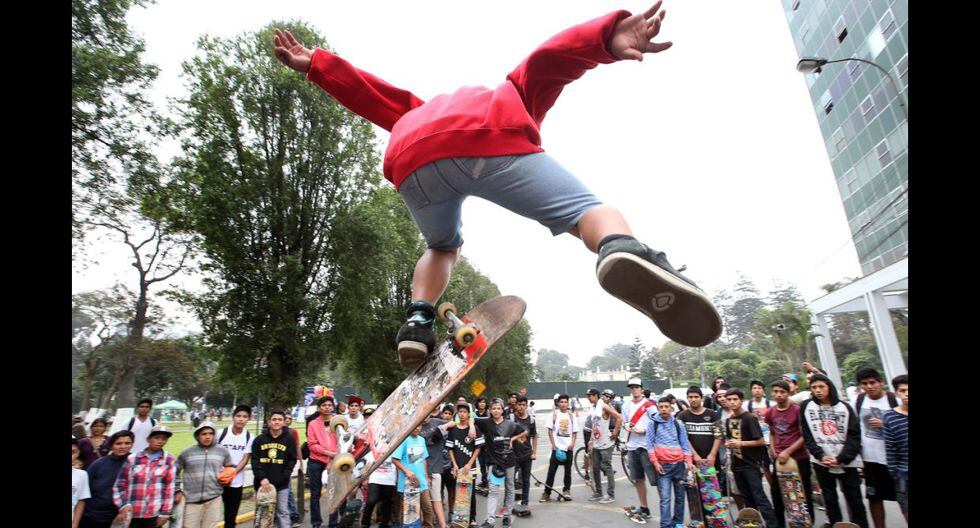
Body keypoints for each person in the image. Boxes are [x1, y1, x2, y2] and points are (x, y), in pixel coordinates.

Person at [271, 1, 722, 372]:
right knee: (585, 214)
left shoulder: (418, 113)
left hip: (410, 157)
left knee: (442, 246)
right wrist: (605, 37)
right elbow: (548, 61)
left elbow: (371, 93)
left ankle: (418, 319)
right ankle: (621, 247)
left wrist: (318, 65)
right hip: (488, 138)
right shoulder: (508, 98)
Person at [800, 375, 868, 528]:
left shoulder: (844, 407)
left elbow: (854, 436)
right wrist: (820, 455)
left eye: (821, 387)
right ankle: (834, 523)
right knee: (829, 499)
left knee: (854, 499)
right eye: (814, 387)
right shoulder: (807, 407)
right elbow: (807, 435)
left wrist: (841, 458)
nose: (818, 390)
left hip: (846, 462)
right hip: (821, 462)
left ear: (829, 387)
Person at [853, 368, 900, 528]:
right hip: (870, 460)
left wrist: (886, 424)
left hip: (895, 460)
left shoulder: (895, 400)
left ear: (881, 382)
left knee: (903, 497)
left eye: (872, 382)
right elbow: (855, 428)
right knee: (874, 498)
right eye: (864, 383)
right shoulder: (858, 401)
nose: (869, 386)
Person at [723, 389, 778, 528]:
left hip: (751, 464)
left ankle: (772, 524)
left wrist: (740, 443)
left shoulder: (749, 418)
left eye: (735, 399)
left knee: (759, 497)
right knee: (747, 498)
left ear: (741, 400)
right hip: (736, 464)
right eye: (729, 400)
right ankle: (754, 524)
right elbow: (731, 439)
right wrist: (730, 444)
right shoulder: (729, 420)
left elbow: (760, 441)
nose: (732, 402)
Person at [766, 380, 814, 527]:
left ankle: (807, 523)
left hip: (799, 458)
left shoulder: (797, 410)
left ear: (788, 393)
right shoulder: (770, 412)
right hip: (779, 459)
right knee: (777, 493)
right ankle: (780, 523)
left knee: (802, 494)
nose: (779, 395)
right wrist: (773, 449)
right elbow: (772, 433)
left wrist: (788, 451)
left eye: (782, 392)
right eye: (776, 392)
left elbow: (804, 435)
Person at [474, 398, 527, 527]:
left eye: (498, 408)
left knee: (510, 488)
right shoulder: (486, 423)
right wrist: (471, 428)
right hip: (494, 462)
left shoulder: (511, 424)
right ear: (490, 410)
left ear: (502, 410)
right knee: (493, 490)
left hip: (509, 461)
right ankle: (490, 520)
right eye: (493, 408)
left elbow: (525, 431)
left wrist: (512, 439)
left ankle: (507, 515)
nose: (496, 411)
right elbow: (471, 418)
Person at [113, 425, 177, 528]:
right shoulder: (133, 458)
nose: (160, 441)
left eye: (164, 439)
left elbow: (170, 487)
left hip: (154, 513)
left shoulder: (169, 459)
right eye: (156, 438)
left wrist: (165, 513)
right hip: (133, 512)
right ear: (148, 439)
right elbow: (120, 484)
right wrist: (123, 504)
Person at [175, 422, 234, 528]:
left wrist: (228, 479)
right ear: (198, 436)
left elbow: (230, 467)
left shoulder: (222, 451)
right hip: (191, 501)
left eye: (211, 433)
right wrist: (177, 490)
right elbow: (175, 470)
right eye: (204, 434)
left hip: (214, 499)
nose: (207, 436)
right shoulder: (187, 452)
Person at [646, 397, 694, 528]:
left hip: (679, 466)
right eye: (661, 407)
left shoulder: (678, 424)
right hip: (663, 467)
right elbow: (649, 446)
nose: (664, 409)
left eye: (666, 407)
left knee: (680, 497)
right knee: (665, 498)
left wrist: (689, 462)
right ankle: (666, 524)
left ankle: (678, 522)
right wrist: (656, 463)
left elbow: (685, 445)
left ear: (671, 408)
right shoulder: (652, 424)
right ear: (658, 408)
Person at [252, 409, 299, 528]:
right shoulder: (259, 439)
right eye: (274, 419)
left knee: (282, 511)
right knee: (263, 514)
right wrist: (262, 478)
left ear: (283, 422)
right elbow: (255, 460)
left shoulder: (289, 439)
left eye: (279, 420)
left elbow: (292, 460)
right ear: (269, 422)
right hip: (263, 484)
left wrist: (285, 476)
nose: (277, 422)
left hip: (282, 483)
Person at [81, 431, 135, 528]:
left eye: (127, 443)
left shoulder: (135, 464)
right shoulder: (99, 464)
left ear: (132, 444)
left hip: (120, 516)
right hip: (92, 515)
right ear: (111, 446)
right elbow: (84, 488)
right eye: (118, 443)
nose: (123, 446)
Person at [621, 378, 657, 523]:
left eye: (637, 387)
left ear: (642, 389)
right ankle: (644, 507)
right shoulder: (626, 406)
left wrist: (645, 430)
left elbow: (657, 422)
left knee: (656, 480)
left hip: (647, 446)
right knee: (638, 479)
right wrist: (626, 426)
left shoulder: (649, 405)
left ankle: (664, 508)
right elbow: (624, 421)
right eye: (632, 387)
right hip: (632, 446)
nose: (634, 389)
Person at [676, 386, 723, 494]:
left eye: (696, 397)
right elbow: (683, 438)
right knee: (694, 494)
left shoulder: (712, 414)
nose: (693, 399)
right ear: (687, 398)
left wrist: (712, 455)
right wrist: (695, 456)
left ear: (702, 398)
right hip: (691, 462)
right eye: (690, 397)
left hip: (710, 460)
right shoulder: (682, 416)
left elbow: (718, 435)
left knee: (711, 494)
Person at [216, 405, 254, 528]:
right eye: (238, 416)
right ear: (233, 417)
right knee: (212, 516)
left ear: (248, 419)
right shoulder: (220, 433)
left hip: (236, 482)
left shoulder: (249, 437)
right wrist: (221, 472)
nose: (241, 419)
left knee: (230, 517)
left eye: (244, 417)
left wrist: (232, 472)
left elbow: (245, 459)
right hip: (217, 481)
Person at [448, 403, 485, 526]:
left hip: (470, 468)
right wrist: (454, 465)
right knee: (457, 494)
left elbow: (478, 448)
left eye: (465, 412)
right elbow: (450, 448)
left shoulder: (474, 429)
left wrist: (469, 464)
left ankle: (472, 518)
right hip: (457, 468)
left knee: (470, 493)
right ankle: (458, 519)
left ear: (469, 414)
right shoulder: (453, 430)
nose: (462, 414)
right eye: (460, 412)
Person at [420, 408, 457, 528]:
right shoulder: (415, 427)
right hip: (419, 470)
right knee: (423, 502)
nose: (424, 416)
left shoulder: (437, 422)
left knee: (436, 499)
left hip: (435, 468)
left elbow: (454, 423)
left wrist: (443, 428)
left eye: (426, 412)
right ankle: (425, 523)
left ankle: (442, 524)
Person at [307, 396, 340, 528]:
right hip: (315, 461)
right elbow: (312, 444)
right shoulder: (312, 424)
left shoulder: (338, 422)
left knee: (333, 492)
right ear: (319, 408)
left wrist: (332, 458)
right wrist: (328, 453)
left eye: (329, 405)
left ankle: (333, 522)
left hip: (334, 461)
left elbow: (342, 441)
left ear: (333, 407)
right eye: (324, 405)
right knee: (315, 494)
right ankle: (316, 522)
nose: (327, 407)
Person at [584, 388, 622, 503]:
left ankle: (611, 495)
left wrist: (615, 432)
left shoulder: (604, 406)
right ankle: (598, 493)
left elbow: (619, 417)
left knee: (607, 468)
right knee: (595, 468)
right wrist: (591, 441)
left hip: (605, 444)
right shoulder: (594, 408)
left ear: (596, 396)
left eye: (590, 395)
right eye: (588, 396)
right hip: (596, 443)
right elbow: (594, 425)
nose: (588, 398)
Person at [540, 394, 577, 502]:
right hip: (557, 448)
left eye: (565, 402)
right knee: (551, 471)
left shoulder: (571, 415)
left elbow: (575, 431)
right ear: (558, 403)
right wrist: (553, 444)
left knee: (567, 471)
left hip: (568, 448)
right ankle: (547, 493)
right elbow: (550, 431)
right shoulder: (553, 414)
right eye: (561, 402)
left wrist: (572, 444)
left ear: (568, 403)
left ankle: (567, 491)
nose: (564, 404)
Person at [882, 374, 908, 524]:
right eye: (902, 390)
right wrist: (894, 473)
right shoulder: (890, 416)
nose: (906, 394)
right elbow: (890, 448)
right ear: (897, 393)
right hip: (903, 475)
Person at [392, 423, 431, 524]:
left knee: (427, 508)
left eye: (419, 426)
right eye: (415, 426)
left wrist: (426, 477)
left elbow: (424, 460)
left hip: (421, 481)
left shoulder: (422, 440)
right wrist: (407, 471)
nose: (417, 428)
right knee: (407, 511)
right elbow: (395, 459)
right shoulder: (403, 440)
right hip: (408, 481)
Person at [507, 396, 537, 511]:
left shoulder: (531, 420)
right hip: (513, 455)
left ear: (526, 406)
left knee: (526, 480)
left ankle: (525, 502)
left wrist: (534, 452)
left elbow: (534, 436)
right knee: (509, 480)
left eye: (523, 405)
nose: (521, 407)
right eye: (519, 405)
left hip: (527, 454)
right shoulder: (511, 418)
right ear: (516, 405)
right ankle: (507, 504)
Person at [283, 413, 303, 526]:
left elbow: (297, 446)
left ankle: (293, 515)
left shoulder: (293, 432)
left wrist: (301, 462)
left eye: (290, 419)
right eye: (286, 418)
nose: (288, 420)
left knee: (288, 490)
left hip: (287, 466)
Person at [73, 437, 92, 528]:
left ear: (78, 453)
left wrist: (75, 524)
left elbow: (80, 500)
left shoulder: (82, 475)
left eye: (73, 452)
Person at [473, 397, 491, 493]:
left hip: (488, 442)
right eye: (480, 402)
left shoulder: (489, 414)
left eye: (484, 402)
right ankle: (484, 481)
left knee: (488, 463)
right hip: (478, 442)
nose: (482, 404)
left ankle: (488, 482)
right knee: (482, 463)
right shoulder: (474, 414)